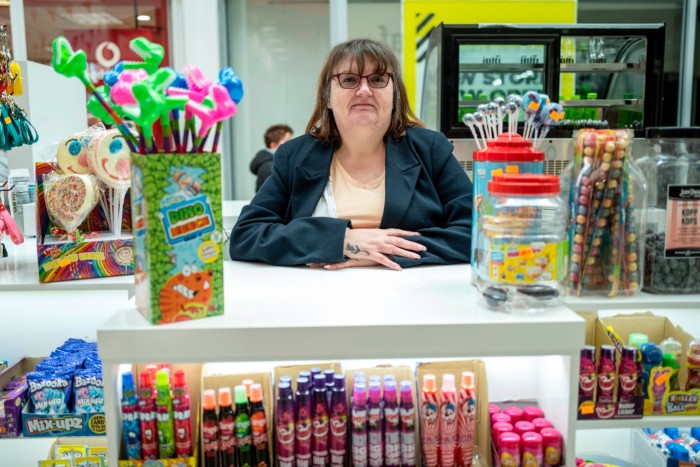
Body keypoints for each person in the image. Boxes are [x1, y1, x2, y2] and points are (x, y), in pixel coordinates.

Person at [230, 38, 472, 271]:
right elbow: (246, 236)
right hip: (313, 300)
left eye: (378, 79)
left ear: (395, 94)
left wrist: (382, 250)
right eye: (349, 79)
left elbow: (477, 231)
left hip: (413, 298)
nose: (364, 90)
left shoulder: (430, 149)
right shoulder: (294, 156)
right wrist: (343, 240)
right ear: (327, 97)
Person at [250, 124, 293, 192]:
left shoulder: (274, 163)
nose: (292, 144)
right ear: (273, 145)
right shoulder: (270, 167)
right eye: (287, 141)